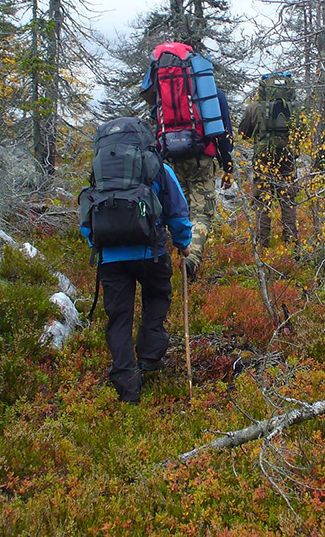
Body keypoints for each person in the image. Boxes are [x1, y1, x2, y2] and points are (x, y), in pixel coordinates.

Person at [79, 118, 193, 404]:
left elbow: (86, 218)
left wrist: (100, 244)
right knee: (156, 298)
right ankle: (150, 358)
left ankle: (126, 384)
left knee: (119, 318)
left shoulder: (100, 172)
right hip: (150, 253)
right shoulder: (158, 167)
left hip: (111, 257)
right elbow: (177, 211)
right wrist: (183, 243)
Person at [140, 46, 235, 281]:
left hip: (170, 159)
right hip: (202, 157)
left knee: (176, 212)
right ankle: (191, 262)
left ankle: (172, 262)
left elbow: (156, 124)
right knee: (201, 215)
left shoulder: (162, 95)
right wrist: (227, 165)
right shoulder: (211, 95)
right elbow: (224, 133)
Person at [238, 73, 298, 246]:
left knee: (262, 201)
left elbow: (243, 133)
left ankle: (263, 243)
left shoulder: (254, 108)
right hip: (287, 160)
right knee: (287, 201)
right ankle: (291, 242)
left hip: (262, 161)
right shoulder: (294, 109)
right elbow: (302, 133)